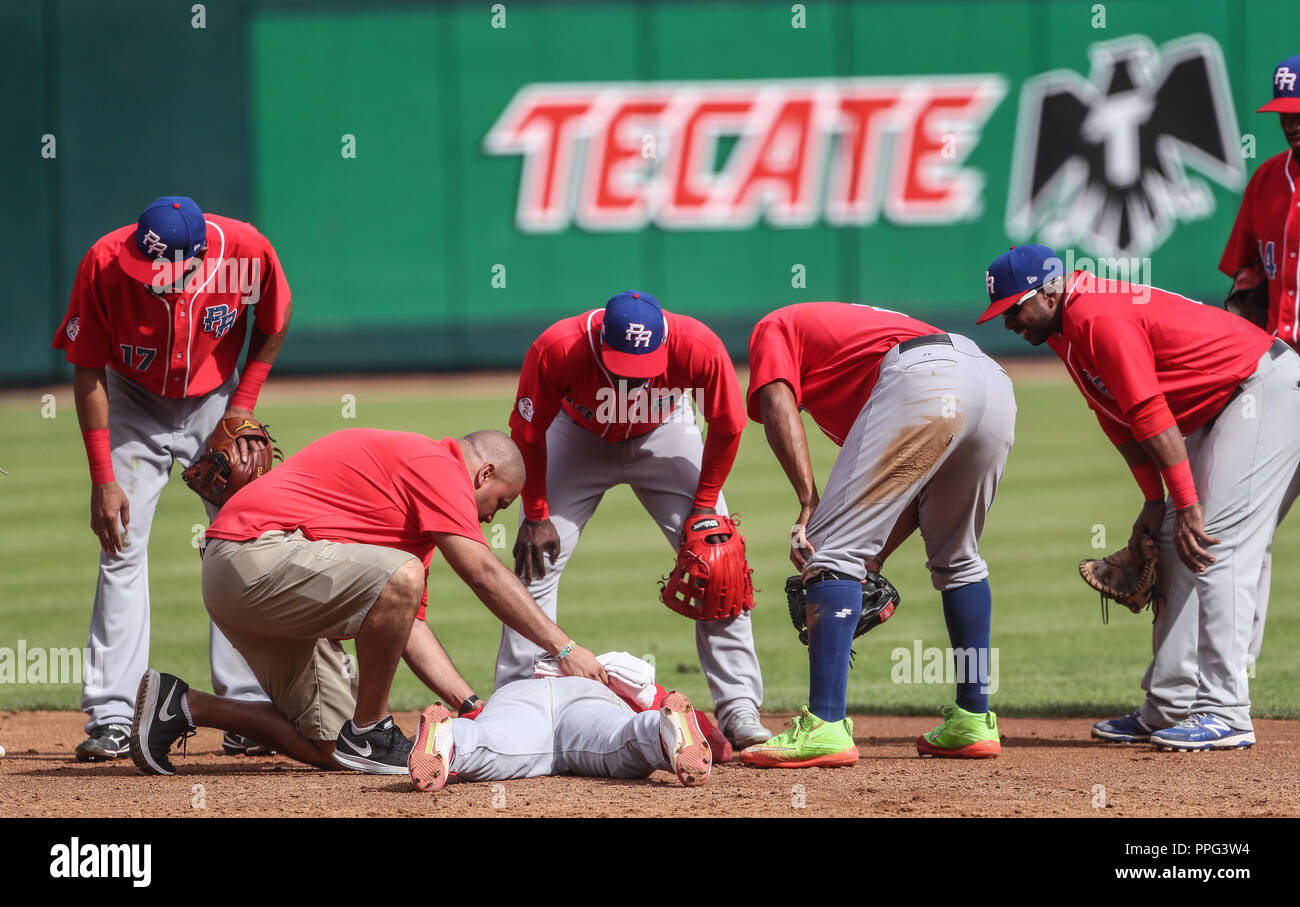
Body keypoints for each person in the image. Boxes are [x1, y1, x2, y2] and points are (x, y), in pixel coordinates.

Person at [129, 428, 608, 776]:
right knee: (403, 578)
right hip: (252, 557)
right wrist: (566, 648)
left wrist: (471, 705)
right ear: (483, 472)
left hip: (258, 577)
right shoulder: (436, 467)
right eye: (499, 503)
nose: (489, 517)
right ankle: (372, 729)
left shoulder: (416, 524)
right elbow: (481, 571)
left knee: (329, 748)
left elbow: (408, 630)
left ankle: (184, 705)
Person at [981, 244, 1300, 750]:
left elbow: (1150, 411)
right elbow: (1117, 420)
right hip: (1221, 407)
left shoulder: (1096, 315)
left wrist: (1188, 505)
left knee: (1213, 543)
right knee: (1174, 542)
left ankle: (1225, 710)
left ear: (1047, 291)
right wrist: (1157, 503)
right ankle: (1169, 704)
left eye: (1013, 309)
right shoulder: (1065, 329)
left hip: (1262, 390)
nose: (1008, 324)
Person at [52, 196, 288, 762]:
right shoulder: (105, 262)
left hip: (214, 401)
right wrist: (102, 477)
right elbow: (86, 366)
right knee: (120, 544)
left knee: (244, 542)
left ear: (200, 259)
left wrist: (241, 406)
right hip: (132, 398)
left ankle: (248, 707)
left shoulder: (247, 250)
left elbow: (274, 321)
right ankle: (112, 714)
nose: (149, 276)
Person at [740, 303, 1016, 767]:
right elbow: (913, 496)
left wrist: (810, 501)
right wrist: (873, 559)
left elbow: (775, 399)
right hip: (992, 383)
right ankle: (973, 719)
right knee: (958, 556)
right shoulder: (859, 361)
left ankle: (825, 726)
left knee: (829, 549)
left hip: (924, 374)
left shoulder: (776, 324)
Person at [498, 291, 769, 750]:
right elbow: (527, 432)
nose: (632, 379)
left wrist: (704, 507)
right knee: (534, 563)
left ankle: (740, 708)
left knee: (719, 558)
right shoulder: (559, 348)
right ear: (602, 339)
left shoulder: (697, 346)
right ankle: (516, 704)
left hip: (665, 432)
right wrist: (537, 512)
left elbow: (728, 425)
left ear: (664, 343)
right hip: (576, 436)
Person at [409, 679, 713, 791]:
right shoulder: (613, 669)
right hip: (589, 694)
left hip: (516, 693)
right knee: (622, 739)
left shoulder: (547, 657)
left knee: (492, 741)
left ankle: (450, 739)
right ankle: (660, 731)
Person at [1220, 53, 1300, 349]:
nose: (1291, 125)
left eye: (1299, 114)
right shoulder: (1265, 179)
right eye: (1284, 114)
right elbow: (1244, 275)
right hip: (1278, 355)